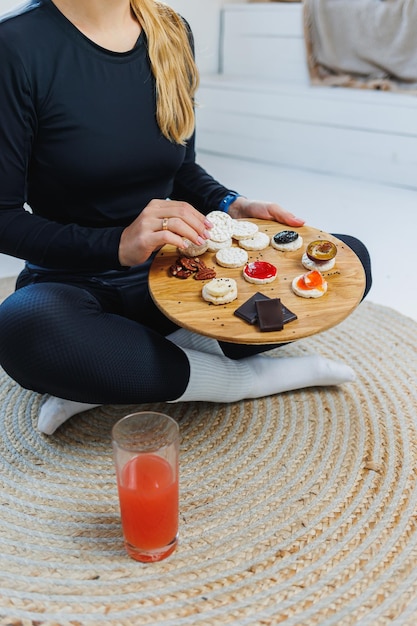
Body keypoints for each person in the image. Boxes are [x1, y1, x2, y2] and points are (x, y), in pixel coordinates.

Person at [0, 0, 371, 435]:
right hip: (75, 284)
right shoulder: (16, 46)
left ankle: (117, 373)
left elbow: (179, 168)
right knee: (24, 328)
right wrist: (116, 244)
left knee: (350, 259)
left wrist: (231, 202)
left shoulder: (172, 30)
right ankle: (238, 381)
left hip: (179, 274)